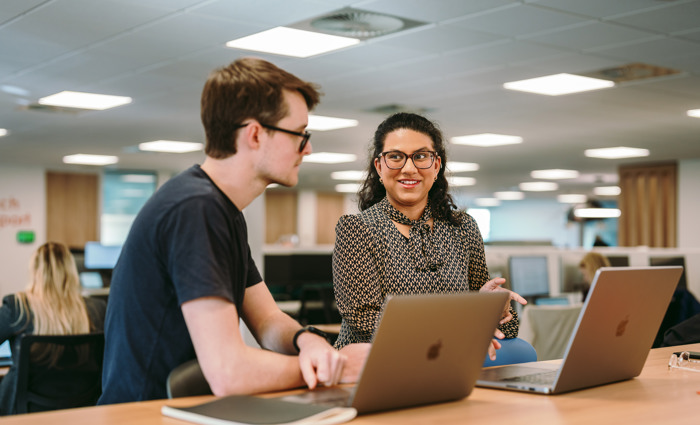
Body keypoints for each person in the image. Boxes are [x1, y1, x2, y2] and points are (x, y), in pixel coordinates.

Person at [98, 57, 368, 405]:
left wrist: (307, 340)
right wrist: (337, 369)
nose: (308, 148)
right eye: (300, 134)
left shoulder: (224, 210)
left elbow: (268, 320)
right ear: (255, 134)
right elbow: (229, 373)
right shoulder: (195, 209)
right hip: (142, 414)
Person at [332, 112, 526, 359]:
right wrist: (460, 329)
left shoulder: (463, 228)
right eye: (395, 157)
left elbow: (501, 329)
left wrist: (494, 311)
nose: (409, 168)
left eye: (421, 156)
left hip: (447, 367)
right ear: (379, 167)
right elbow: (367, 323)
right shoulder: (357, 229)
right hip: (373, 370)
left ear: (436, 166)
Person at [0, 242, 106, 415]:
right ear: (71, 271)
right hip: (81, 408)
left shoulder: (18, 307)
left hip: (23, 412)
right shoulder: (95, 309)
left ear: (34, 272)